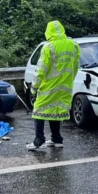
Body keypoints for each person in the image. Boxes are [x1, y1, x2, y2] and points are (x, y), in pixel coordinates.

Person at [26, 20, 80, 150]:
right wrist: (69, 80)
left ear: (48, 32)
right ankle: (57, 139)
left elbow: (41, 69)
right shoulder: (73, 45)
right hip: (65, 86)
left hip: (49, 86)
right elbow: (76, 65)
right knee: (56, 111)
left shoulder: (49, 47)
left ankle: (39, 140)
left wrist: (34, 87)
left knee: (38, 111)